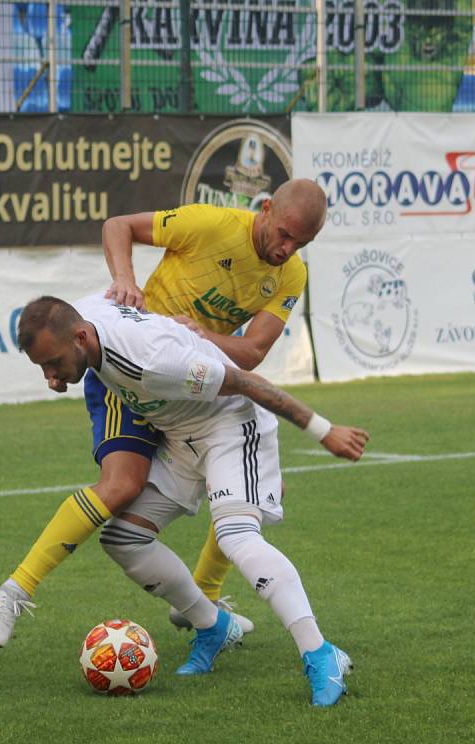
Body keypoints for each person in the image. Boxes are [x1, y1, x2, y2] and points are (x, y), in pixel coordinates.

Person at [0, 293, 369, 706]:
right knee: (123, 539)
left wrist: (324, 430)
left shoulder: (153, 361)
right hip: (181, 440)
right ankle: (213, 626)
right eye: (43, 366)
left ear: (80, 338)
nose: (51, 375)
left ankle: (321, 653)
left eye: (53, 363)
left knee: (237, 537)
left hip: (230, 428)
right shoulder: (83, 318)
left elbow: (246, 382)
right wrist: (65, 364)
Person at [93, 178, 329, 633]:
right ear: (265, 210)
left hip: (202, 393)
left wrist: (201, 336)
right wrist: (125, 279)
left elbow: (255, 350)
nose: (287, 249)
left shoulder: (292, 272)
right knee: (119, 494)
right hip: (142, 374)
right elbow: (118, 226)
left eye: (301, 242)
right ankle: (17, 588)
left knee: (249, 503)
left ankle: (204, 604)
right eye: (284, 234)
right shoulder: (211, 224)